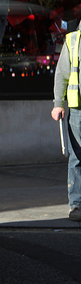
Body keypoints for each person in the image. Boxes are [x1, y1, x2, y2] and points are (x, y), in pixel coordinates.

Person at [52, 26, 81, 221]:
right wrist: (58, 104)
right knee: (77, 157)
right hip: (78, 108)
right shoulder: (72, 40)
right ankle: (77, 205)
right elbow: (62, 74)